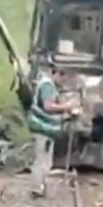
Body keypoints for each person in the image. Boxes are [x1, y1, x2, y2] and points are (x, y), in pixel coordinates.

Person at [27, 66, 79, 198]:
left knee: (44, 160)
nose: (64, 81)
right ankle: (37, 188)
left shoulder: (48, 85)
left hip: (44, 128)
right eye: (63, 77)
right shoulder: (47, 86)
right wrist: (67, 107)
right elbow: (48, 106)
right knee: (42, 160)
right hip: (42, 128)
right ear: (56, 74)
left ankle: (40, 186)